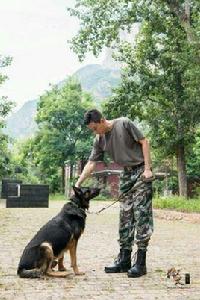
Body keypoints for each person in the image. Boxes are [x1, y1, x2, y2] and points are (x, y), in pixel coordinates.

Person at [75, 109, 153, 278]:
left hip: (141, 172)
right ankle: (124, 260)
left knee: (141, 215)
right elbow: (91, 163)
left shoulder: (124, 123)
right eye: (92, 130)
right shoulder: (99, 139)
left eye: (95, 128)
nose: (94, 132)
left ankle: (140, 262)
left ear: (102, 120)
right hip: (126, 174)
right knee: (125, 216)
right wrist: (78, 183)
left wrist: (147, 169)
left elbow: (144, 141)